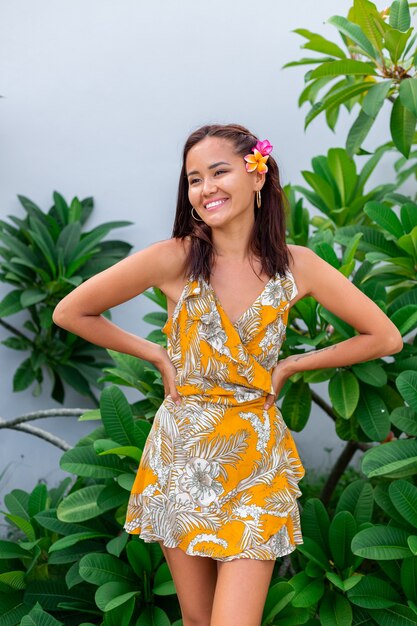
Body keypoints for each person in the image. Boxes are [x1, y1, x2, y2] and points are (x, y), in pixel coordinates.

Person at [53, 123, 403, 626]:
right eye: (194, 179)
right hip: (183, 451)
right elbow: (71, 312)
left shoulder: (296, 267)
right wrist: (154, 353)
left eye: (219, 171)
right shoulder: (175, 258)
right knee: (197, 620)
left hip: (254, 459)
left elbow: (384, 337)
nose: (205, 188)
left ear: (256, 175)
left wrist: (294, 363)